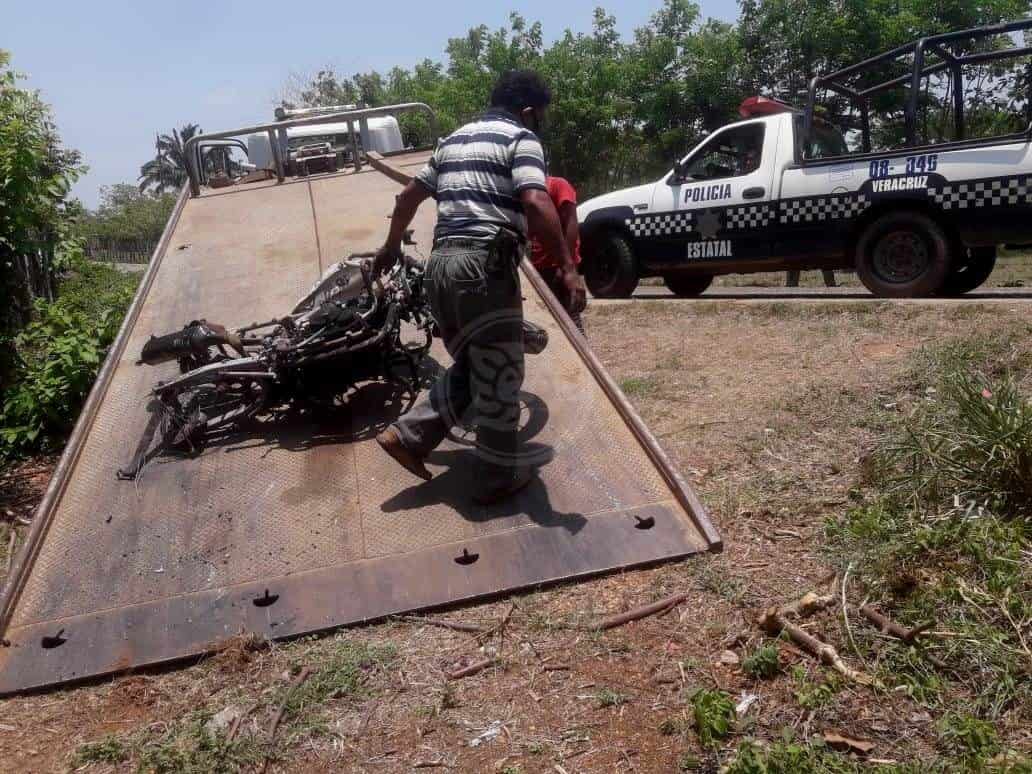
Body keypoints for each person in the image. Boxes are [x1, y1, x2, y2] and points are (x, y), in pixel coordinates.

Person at [372, 70, 586, 505]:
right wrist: (567, 266)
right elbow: (535, 198)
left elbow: (408, 197)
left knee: (476, 365)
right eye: (539, 117)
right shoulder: (519, 138)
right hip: (484, 266)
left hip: (440, 267)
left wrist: (391, 247)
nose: (538, 124)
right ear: (528, 111)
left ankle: (409, 436)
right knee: (501, 369)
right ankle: (497, 477)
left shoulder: (453, 140)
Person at [529, 176, 585, 333]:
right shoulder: (526, 190)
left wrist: (566, 267)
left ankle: (580, 358)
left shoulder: (558, 185)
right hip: (537, 270)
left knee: (572, 326)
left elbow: (571, 223)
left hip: (557, 268)